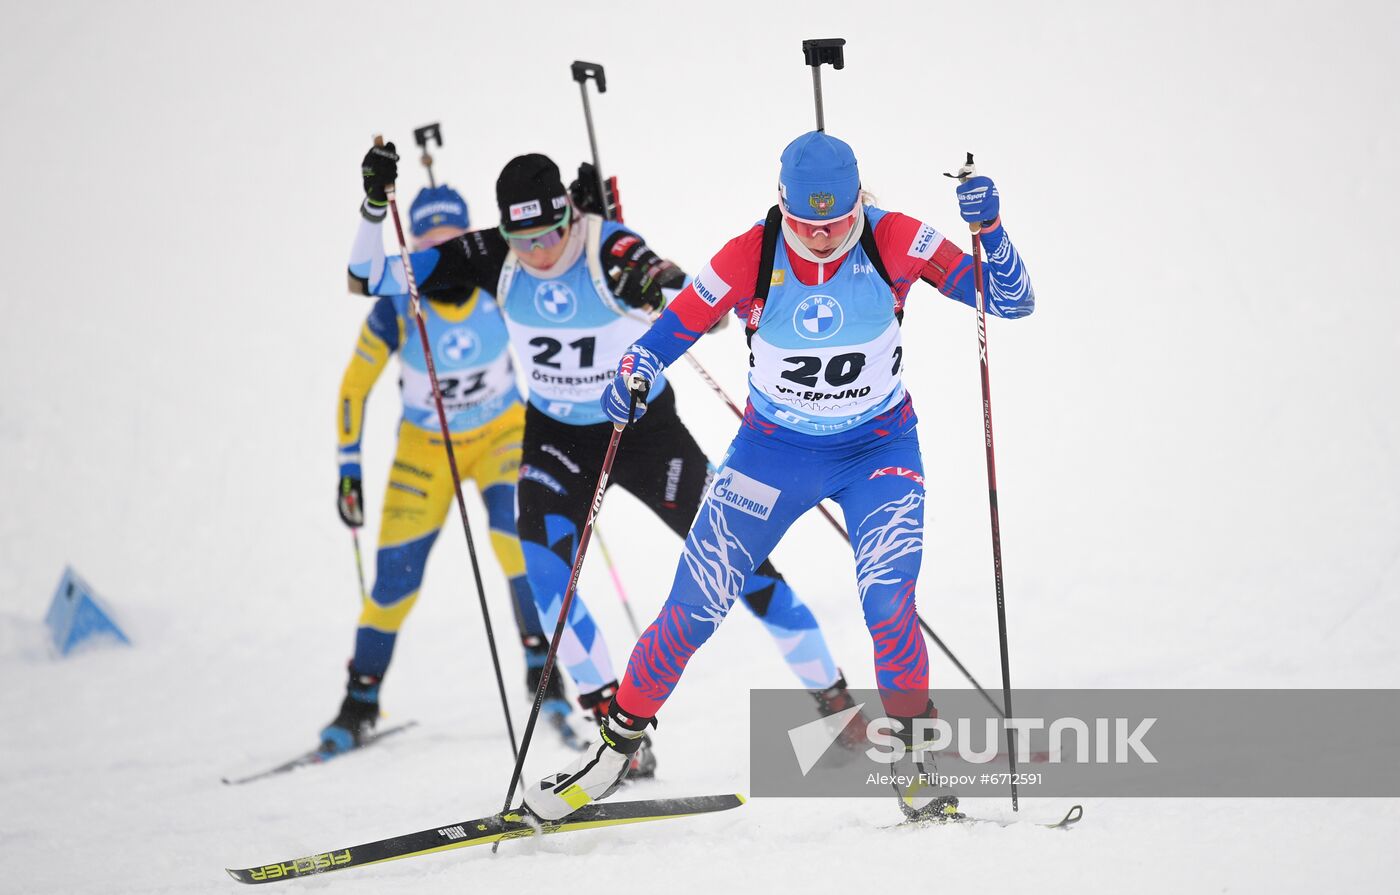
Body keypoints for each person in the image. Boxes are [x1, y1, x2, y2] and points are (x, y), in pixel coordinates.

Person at [522, 131, 1036, 821]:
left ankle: (916, 759)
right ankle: (614, 753)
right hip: (770, 455)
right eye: (805, 224)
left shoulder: (897, 240)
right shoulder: (750, 254)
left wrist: (991, 230)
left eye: (836, 222)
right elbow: (670, 331)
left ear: (860, 202)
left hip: (877, 453)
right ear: (781, 206)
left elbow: (1010, 299)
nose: (821, 238)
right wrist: (634, 370)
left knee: (888, 602)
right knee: (693, 605)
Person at [348, 142, 861, 778]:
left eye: (550, 235)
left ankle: (834, 699)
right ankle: (618, 738)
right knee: (546, 585)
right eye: (522, 238)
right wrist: (375, 205)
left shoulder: (607, 245)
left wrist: (655, 279)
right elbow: (366, 277)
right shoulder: (489, 255)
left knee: (743, 566)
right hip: (557, 441)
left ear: (569, 216)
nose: (537, 253)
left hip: (645, 435)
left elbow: (701, 306)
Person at [325, 180, 580, 754]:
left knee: (519, 541)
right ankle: (359, 702)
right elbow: (353, 389)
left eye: (452, 237)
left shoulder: (502, 281)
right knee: (394, 580)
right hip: (426, 450)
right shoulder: (395, 307)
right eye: (428, 239)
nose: (440, 250)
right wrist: (348, 470)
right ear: (413, 243)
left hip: (502, 436)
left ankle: (545, 674)